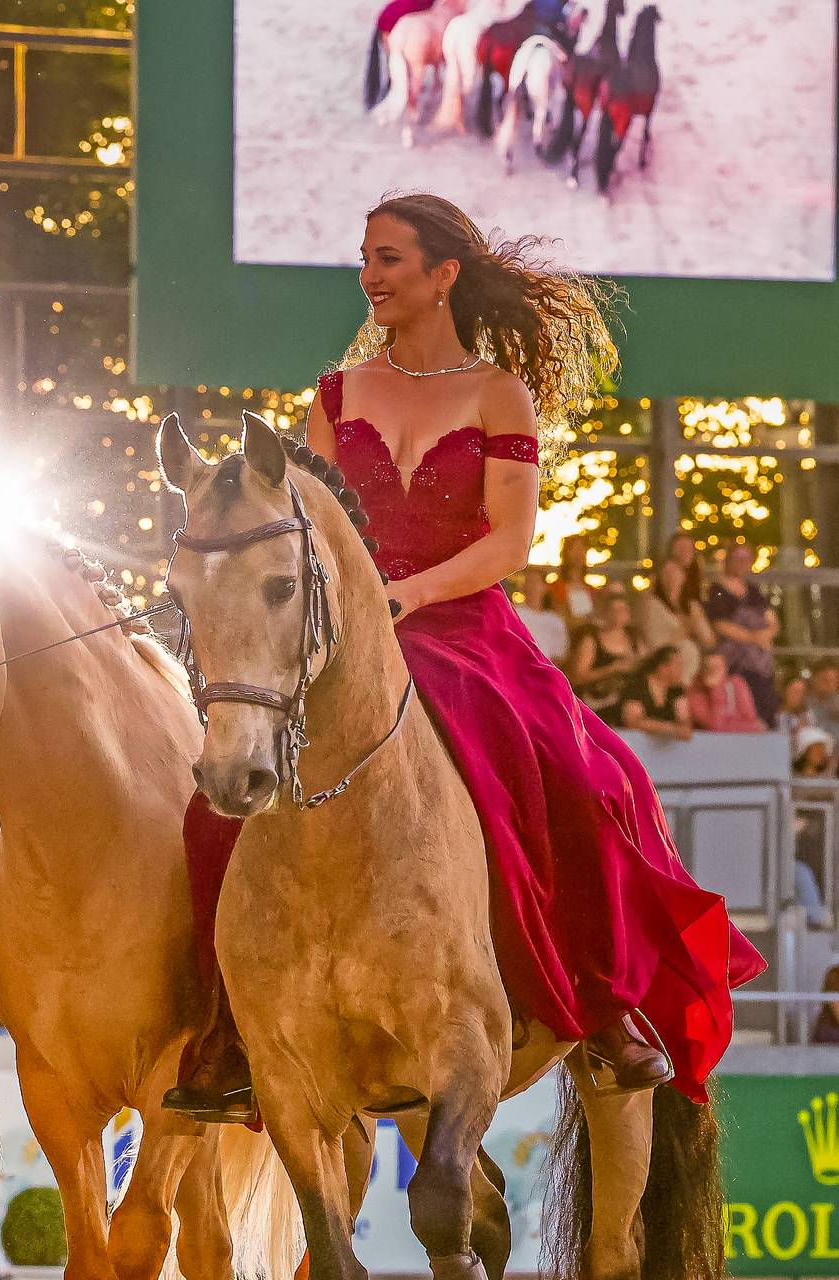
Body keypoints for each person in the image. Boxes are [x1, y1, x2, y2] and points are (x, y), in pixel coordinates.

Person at [168, 193, 760, 1125]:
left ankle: (601, 1006)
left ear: (444, 275)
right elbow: (312, 529)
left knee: (579, 772)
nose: (370, 275)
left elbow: (511, 541)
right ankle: (228, 1031)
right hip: (345, 632)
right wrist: (355, 607)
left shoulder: (497, 393)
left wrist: (412, 593)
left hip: (463, 623)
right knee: (214, 811)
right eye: (365, 257)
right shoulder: (333, 395)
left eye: (390, 258)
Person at [708, 543, 781, 725]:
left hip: (758, 653)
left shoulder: (754, 591)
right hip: (734, 654)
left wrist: (767, 634)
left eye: (746, 559)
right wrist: (752, 638)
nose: (742, 563)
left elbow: (771, 618)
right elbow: (719, 624)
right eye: (737, 559)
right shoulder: (717, 590)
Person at [562, 589, 641, 709]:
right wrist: (612, 668)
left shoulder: (635, 639)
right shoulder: (592, 639)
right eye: (615, 610)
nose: (620, 613)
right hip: (596, 703)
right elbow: (577, 677)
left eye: (623, 609)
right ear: (606, 613)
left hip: (627, 705)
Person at [609, 646, 693, 741]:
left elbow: (684, 720)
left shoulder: (676, 690)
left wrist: (683, 726)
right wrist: (670, 728)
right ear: (662, 667)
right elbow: (633, 722)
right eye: (678, 665)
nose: (681, 670)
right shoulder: (637, 687)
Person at [690, 651, 768, 733]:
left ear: (726, 669)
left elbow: (751, 719)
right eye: (709, 668)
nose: (714, 671)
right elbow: (716, 727)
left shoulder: (737, 683)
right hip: (711, 742)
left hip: (740, 739)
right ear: (701, 670)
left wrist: (748, 726)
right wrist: (716, 689)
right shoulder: (696, 692)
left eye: (718, 667)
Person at [509, 572, 568, 659]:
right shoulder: (515, 613)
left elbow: (560, 654)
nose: (532, 587)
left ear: (545, 587)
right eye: (528, 582)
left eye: (535, 582)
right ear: (523, 588)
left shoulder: (555, 620)